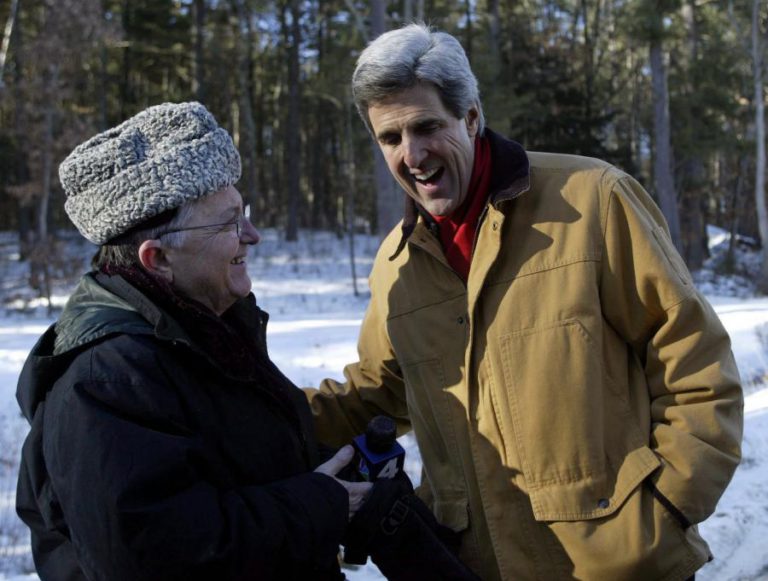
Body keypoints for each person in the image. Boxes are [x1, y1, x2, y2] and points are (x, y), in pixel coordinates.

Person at [305, 23, 744, 581]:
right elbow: (380, 391)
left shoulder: (591, 201)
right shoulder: (397, 264)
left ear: (470, 117)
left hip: (618, 565)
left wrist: (664, 511)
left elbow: (697, 366)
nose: (411, 154)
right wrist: (257, 413)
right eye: (390, 138)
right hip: (472, 566)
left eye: (425, 126)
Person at [15, 102, 374, 580]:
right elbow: (158, 556)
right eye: (227, 223)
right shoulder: (105, 382)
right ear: (158, 258)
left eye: (242, 212)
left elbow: (234, 461)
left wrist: (331, 469)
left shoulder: (208, 331)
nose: (253, 235)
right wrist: (318, 504)